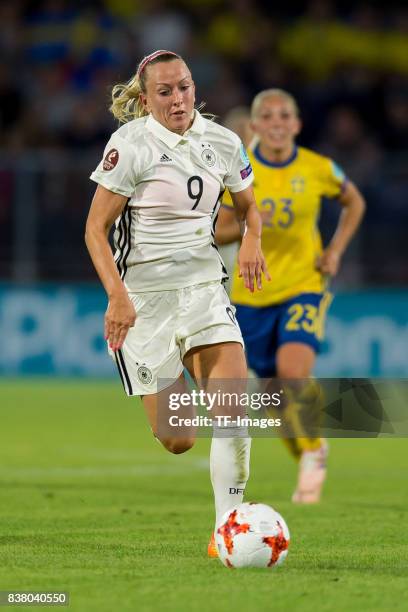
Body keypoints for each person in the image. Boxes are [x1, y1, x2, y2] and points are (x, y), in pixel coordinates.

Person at [84, 50, 269, 557]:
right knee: (179, 437)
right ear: (146, 101)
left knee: (233, 408)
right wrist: (117, 297)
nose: (178, 99)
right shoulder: (130, 145)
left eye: (184, 87)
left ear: (193, 87)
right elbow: (95, 230)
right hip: (144, 301)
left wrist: (252, 239)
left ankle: (226, 530)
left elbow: (251, 209)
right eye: (164, 92)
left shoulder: (223, 142)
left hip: (206, 290)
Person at [216, 88, 366, 504]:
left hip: (304, 284)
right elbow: (219, 230)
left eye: (286, 115)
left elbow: (354, 203)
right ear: (256, 126)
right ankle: (308, 450)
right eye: (269, 116)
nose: (278, 122)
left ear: (297, 124)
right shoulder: (239, 171)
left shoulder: (318, 167)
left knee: (292, 372)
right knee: (272, 395)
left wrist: (334, 251)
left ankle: (314, 452)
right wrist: (251, 224)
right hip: (251, 292)